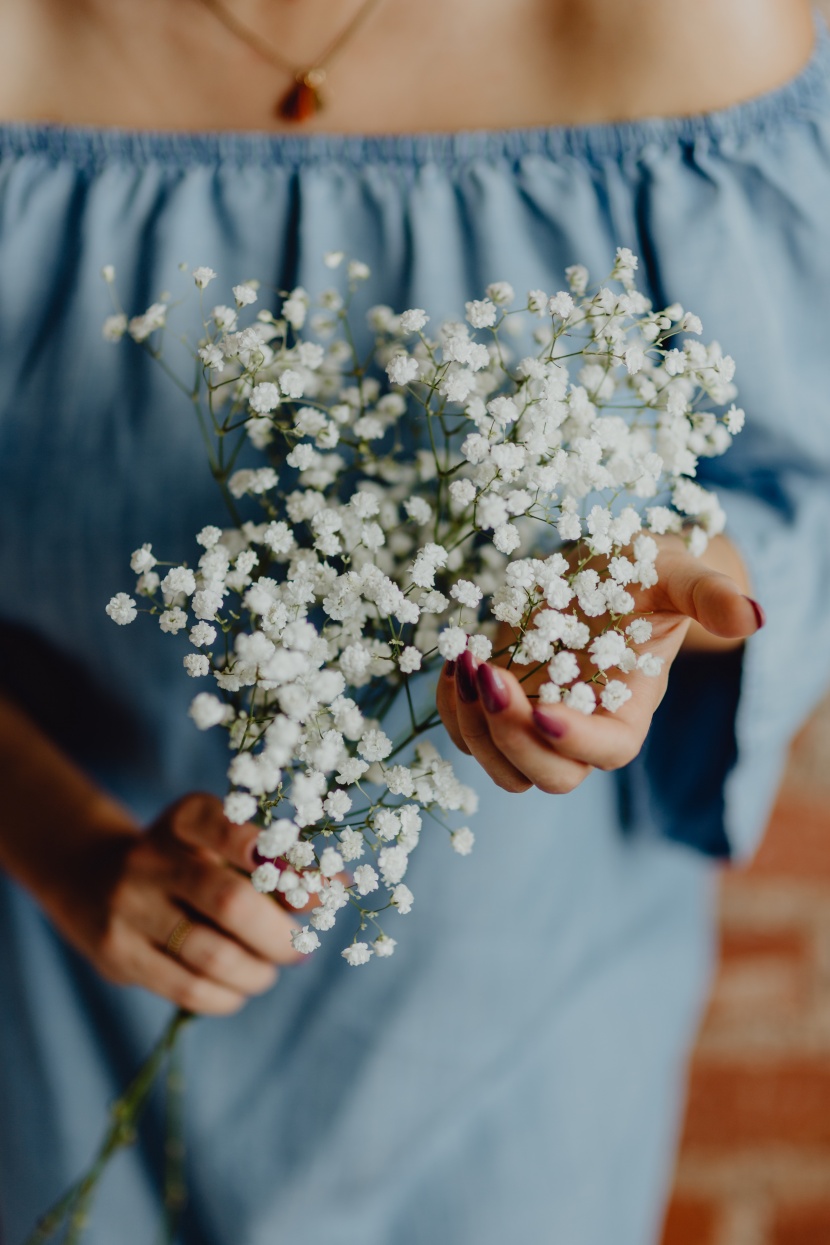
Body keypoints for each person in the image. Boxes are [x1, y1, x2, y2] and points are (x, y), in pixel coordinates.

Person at [1, 1, 829, 1242]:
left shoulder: (686, 34)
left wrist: (657, 601)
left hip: (520, 1064)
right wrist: (66, 854)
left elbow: (787, 500)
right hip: (49, 1008)